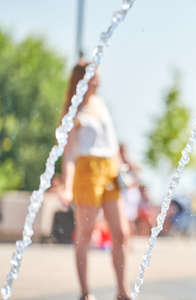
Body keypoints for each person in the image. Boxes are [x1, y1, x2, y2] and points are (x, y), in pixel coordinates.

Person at [59, 61, 131, 300]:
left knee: (121, 233)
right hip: (86, 171)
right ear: (82, 80)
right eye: (94, 78)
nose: (98, 82)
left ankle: (122, 291)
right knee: (85, 234)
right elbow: (68, 154)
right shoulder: (74, 111)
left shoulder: (100, 104)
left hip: (109, 169)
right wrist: (67, 188)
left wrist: (122, 167)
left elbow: (112, 141)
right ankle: (85, 292)